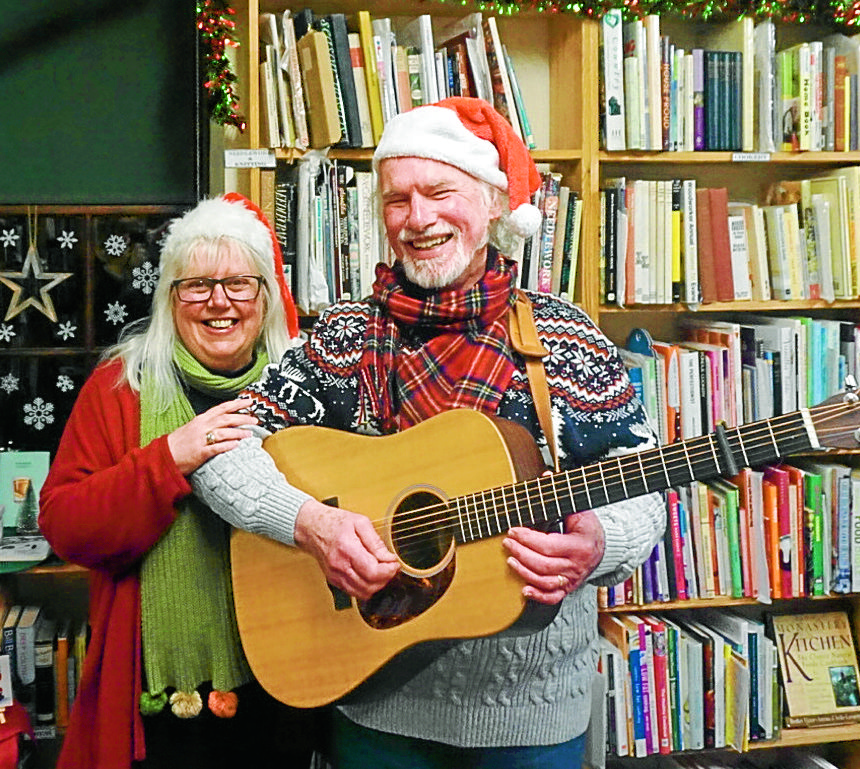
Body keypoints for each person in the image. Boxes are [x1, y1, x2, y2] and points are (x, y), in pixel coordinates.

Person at [192, 97, 666, 768]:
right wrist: (308, 524)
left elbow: (641, 483)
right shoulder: (346, 336)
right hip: (372, 693)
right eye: (397, 199)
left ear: (495, 204)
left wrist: (598, 541)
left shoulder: (565, 337)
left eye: (440, 192)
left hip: (528, 715)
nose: (417, 219)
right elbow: (219, 452)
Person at [38, 194, 317, 769]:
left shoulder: (310, 385)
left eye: (239, 283)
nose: (220, 302)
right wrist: (168, 459)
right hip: (160, 701)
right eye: (197, 286)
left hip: (293, 676)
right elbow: (66, 526)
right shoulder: (123, 387)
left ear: (265, 296)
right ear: (171, 298)